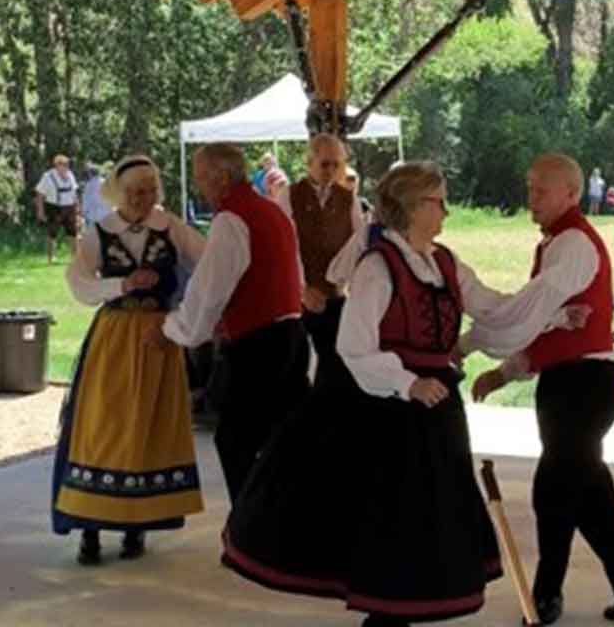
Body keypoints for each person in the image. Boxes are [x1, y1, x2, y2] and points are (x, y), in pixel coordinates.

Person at [224, 162, 579, 626]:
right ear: (412, 206)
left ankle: (393, 616)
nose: (446, 212)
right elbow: (353, 345)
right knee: (392, 523)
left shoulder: (445, 262)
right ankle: (386, 616)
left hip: (435, 412)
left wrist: (551, 309)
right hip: (386, 414)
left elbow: (495, 309)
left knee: (426, 526)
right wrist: (407, 382)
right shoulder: (378, 266)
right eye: (439, 202)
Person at [467, 153, 614, 625]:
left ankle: (546, 596)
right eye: (530, 187)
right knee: (587, 491)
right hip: (572, 384)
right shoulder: (560, 242)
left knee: (554, 492)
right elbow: (547, 323)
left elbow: (535, 316)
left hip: (584, 385)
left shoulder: (574, 244)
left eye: (541, 190)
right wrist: (503, 364)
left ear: (572, 195)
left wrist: (484, 352)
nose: (530, 197)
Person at [53, 156, 208, 566]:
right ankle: (89, 527)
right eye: (136, 192)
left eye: (150, 191)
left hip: (158, 338)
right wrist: (120, 283)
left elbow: (209, 266)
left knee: (147, 425)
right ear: (119, 194)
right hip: (116, 336)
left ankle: (135, 524)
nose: (143, 199)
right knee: (102, 424)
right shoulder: (100, 233)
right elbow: (78, 282)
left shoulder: (170, 226)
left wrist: (184, 313)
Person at [152, 144, 310, 501]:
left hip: (260, 345)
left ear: (222, 178)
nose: (198, 185)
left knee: (237, 441)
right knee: (280, 440)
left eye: (201, 176)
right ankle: (283, 526)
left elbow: (209, 291)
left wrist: (172, 329)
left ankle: (250, 531)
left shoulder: (232, 219)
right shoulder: (271, 211)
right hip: (291, 336)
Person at [287, 134, 365, 403]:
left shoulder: (349, 199)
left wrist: (344, 282)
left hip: (334, 295)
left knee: (334, 360)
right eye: (325, 164)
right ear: (310, 163)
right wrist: (302, 289)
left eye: (336, 164)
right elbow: (287, 248)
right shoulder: (290, 196)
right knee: (294, 363)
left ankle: (326, 416)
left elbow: (359, 244)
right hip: (296, 297)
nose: (331, 171)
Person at [35, 154, 82, 265]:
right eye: (63, 164)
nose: (65, 167)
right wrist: (40, 211)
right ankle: (50, 259)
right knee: (52, 234)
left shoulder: (70, 175)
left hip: (69, 207)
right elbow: (39, 194)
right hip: (54, 207)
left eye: (67, 164)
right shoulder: (48, 176)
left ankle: (75, 259)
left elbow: (74, 192)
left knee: (73, 234)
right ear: (56, 165)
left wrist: (78, 208)